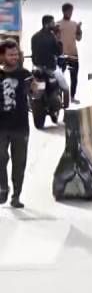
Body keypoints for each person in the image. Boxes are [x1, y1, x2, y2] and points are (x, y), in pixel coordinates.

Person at [0, 40, 33, 208]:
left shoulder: (25, 74)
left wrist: (37, 86)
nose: (14, 57)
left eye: (15, 54)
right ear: (2, 56)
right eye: (10, 54)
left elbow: (35, 93)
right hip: (2, 127)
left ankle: (16, 196)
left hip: (20, 126)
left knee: (19, 163)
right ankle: (3, 187)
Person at [55, 3, 82, 103]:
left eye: (71, 11)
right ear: (64, 12)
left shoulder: (74, 24)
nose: (70, 13)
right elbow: (55, 39)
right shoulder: (58, 24)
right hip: (61, 55)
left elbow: (79, 39)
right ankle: (59, 97)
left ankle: (72, 96)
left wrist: (79, 29)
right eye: (68, 11)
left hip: (73, 54)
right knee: (59, 77)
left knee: (74, 77)